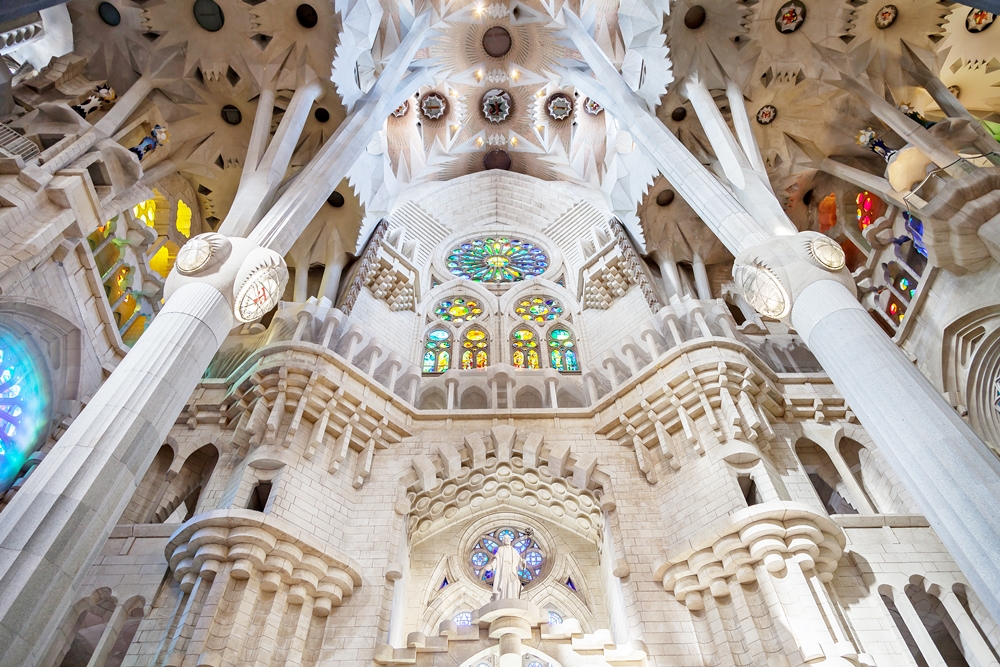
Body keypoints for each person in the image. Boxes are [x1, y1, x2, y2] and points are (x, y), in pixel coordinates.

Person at [491, 533, 525, 601]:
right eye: (505, 539)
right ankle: (501, 599)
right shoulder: (500, 549)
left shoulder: (514, 551)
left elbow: (520, 561)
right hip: (503, 570)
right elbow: (496, 559)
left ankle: (512, 600)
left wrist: (523, 562)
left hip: (512, 571)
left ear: (510, 540)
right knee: (502, 584)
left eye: (508, 539)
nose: (507, 540)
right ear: (503, 541)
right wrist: (492, 566)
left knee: (512, 585)